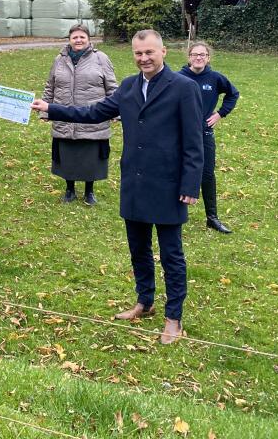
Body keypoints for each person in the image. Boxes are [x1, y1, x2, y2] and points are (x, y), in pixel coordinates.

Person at [32, 29, 203, 345]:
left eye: (149, 52)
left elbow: (194, 142)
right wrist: (50, 108)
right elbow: (93, 112)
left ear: (163, 52)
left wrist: (190, 184)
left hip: (168, 186)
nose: (144, 59)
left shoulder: (184, 88)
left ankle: (173, 318)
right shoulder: (128, 87)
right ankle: (145, 301)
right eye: (138, 54)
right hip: (134, 184)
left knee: (171, 254)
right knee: (138, 249)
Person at [41, 23, 118, 206]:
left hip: (92, 117)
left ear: (89, 39)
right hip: (64, 116)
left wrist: (116, 110)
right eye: (75, 37)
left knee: (90, 158)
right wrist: (45, 111)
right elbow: (50, 86)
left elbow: (113, 87)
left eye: (82, 37)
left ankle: (89, 191)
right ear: (69, 39)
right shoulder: (59, 59)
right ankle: (69, 189)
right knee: (67, 156)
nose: (78, 40)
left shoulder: (101, 58)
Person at [179, 41, 240, 234]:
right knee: (178, 172)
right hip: (180, 133)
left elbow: (233, 94)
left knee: (206, 175)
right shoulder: (177, 78)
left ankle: (212, 218)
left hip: (204, 134)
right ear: (189, 57)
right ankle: (176, 215)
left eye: (203, 55)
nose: (199, 58)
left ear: (208, 58)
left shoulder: (215, 78)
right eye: (195, 54)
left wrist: (220, 113)